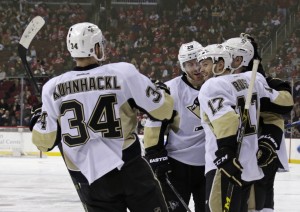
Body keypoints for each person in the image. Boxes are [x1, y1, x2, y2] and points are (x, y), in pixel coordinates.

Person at [30, 22, 174, 212]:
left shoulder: (53, 88)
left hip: (90, 180)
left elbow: (44, 142)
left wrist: (37, 118)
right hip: (130, 169)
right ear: (95, 46)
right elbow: (164, 111)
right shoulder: (123, 73)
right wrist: (161, 91)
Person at [197, 44, 293, 212]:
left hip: (224, 169)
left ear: (220, 64)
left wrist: (226, 154)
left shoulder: (211, 86)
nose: (200, 69)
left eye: (205, 64)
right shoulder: (249, 80)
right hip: (249, 168)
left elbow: (227, 120)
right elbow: (283, 104)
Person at [144, 41, 206, 212]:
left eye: (199, 62)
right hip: (177, 166)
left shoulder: (218, 85)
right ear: (182, 66)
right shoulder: (171, 89)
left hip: (210, 165)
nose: (196, 68)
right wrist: (155, 155)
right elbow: (154, 125)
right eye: (190, 64)